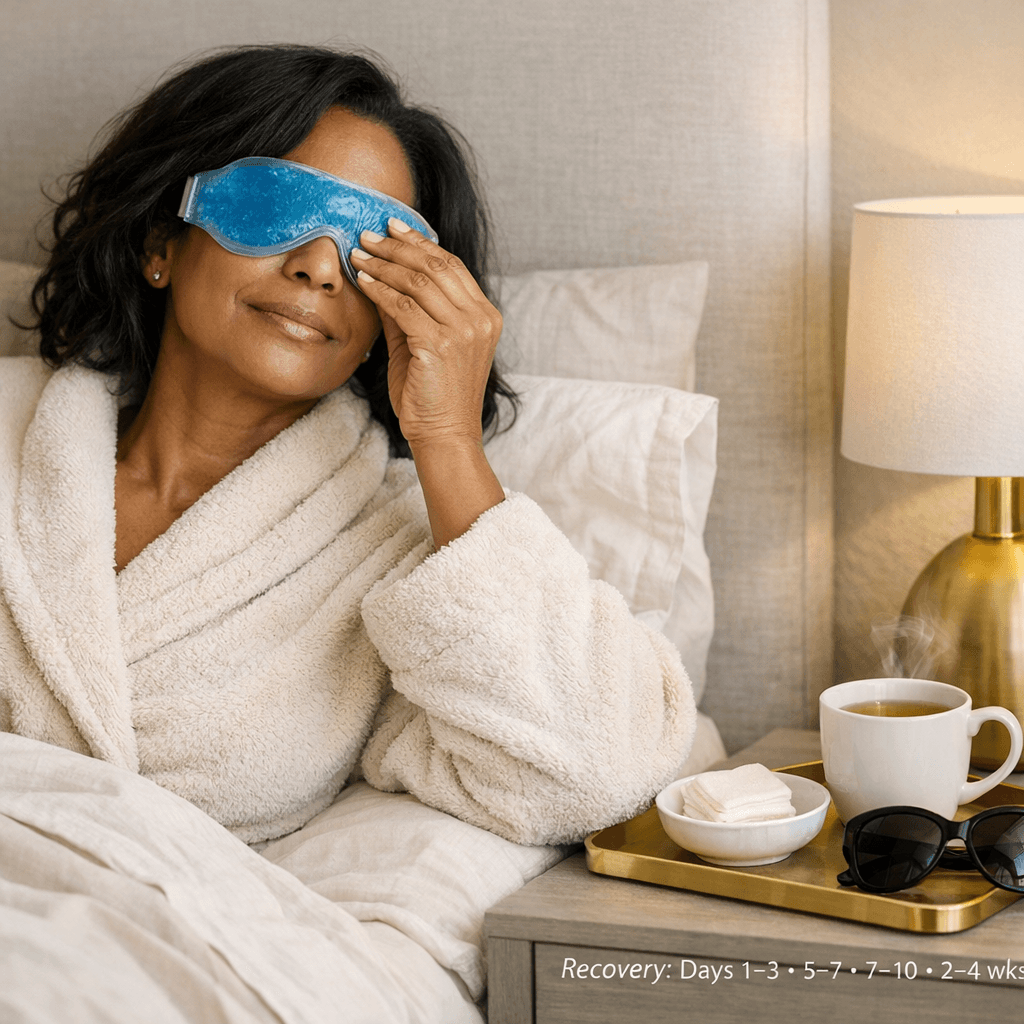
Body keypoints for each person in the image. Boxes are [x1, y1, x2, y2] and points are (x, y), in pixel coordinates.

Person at [0, 44, 696, 847]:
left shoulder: (409, 563)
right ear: (161, 245)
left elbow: (593, 773)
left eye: (375, 249)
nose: (320, 269)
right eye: (274, 208)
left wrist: (447, 439)